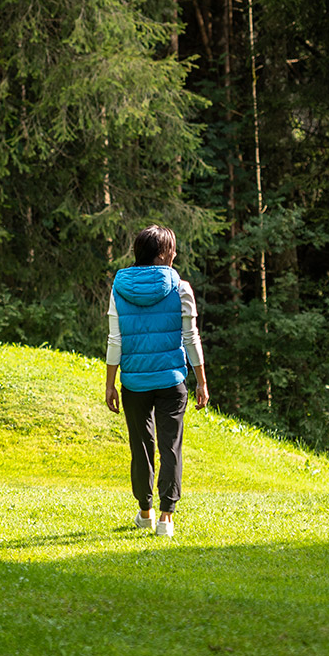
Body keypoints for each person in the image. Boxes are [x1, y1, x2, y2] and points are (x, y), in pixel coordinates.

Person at [104, 225, 208, 538]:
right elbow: (191, 338)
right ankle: (166, 519)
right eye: (173, 249)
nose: (175, 254)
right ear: (165, 254)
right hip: (172, 379)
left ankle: (145, 511)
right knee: (170, 446)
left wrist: (110, 383)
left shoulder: (119, 286)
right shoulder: (181, 287)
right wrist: (202, 381)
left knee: (141, 447)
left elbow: (114, 339)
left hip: (134, 381)